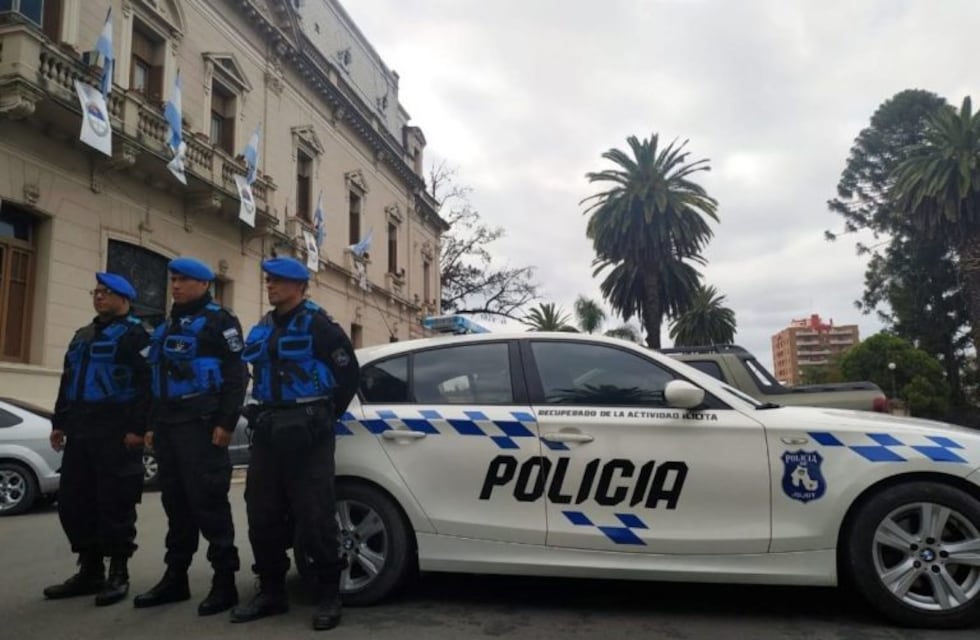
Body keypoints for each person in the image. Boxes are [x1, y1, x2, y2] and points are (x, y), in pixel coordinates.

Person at [231, 257, 359, 631]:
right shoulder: (265, 326)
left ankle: (329, 595)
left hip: (309, 437)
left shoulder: (319, 325)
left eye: (278, 282)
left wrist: (325, 417)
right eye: (268, 280)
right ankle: (272, 591)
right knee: (261, 513)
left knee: (316, 516)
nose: (269, 286)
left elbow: (347, 374)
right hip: (269, 432)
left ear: (299, 287)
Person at [134, 257, 245, 616]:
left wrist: (226, 423)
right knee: (175, 506)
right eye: (173, 280)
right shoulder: (169, 324)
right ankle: (175, 577)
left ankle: (224, 581)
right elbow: (157, 381)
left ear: (202, 284)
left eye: (183, 280)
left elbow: (235, 376)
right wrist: (151, 425)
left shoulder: (219, 321)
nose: (176, 286)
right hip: (168, 426)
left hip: (201, 427)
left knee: (209, 504)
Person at [44, 273, 150, 606]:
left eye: (107, 293)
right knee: (74, 503)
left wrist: (138, 428)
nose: (99, 297)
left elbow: (148, 386)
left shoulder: (138, 335)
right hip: (80, 430)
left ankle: (118, 571)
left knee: (115, 502)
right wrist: (59, 422)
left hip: (116, 432)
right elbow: (67, 381)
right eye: (97, 292)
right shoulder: (82, 336)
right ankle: (90, 570)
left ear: (124, 299)